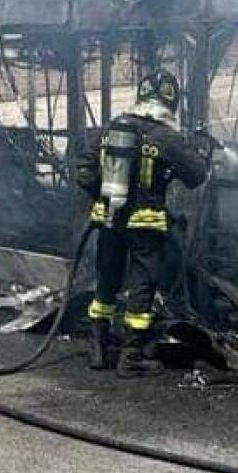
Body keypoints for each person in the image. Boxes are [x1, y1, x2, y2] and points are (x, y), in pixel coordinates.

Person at [75, 69, 211, 377]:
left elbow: (83, 171)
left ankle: (97, 349)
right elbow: (197, 175)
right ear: (171, 103)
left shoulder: (112, 129)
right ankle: (131, 358)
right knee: (141, 285)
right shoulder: (166, 137)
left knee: (107, 278)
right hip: (145, 226)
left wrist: (104, 197)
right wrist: (198, 151)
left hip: (109, 219)